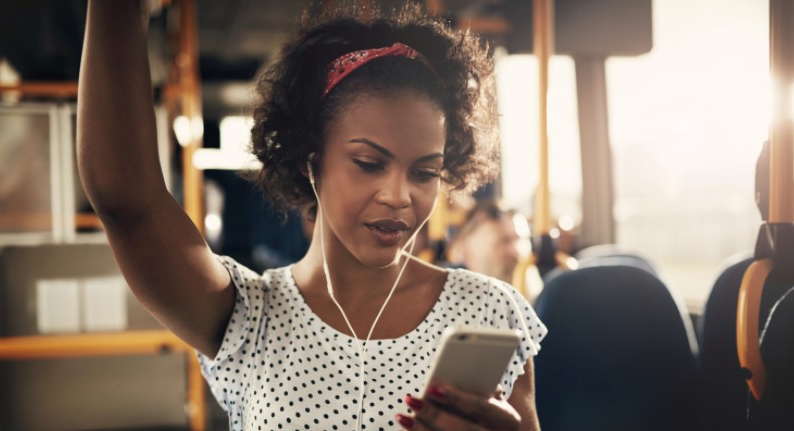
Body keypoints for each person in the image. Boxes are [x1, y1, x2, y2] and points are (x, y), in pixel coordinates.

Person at [77, 1, 546, 430]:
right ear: (312, 159)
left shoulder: (489, 312)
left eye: (424, 172)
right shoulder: (247, 317)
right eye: (369, 163)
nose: (399, 196)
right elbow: (127, 202)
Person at [446, 201, 524, 284]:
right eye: (503, 242)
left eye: (519, 240)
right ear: (465, 251)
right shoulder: (447, 286)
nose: (516, 252)